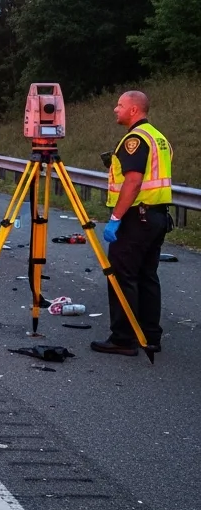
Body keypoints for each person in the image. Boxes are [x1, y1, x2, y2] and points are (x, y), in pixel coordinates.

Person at [91, 90, 173, 357]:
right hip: (158, 216)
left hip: (137, 217)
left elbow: (134, 181)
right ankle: (150, 336)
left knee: (123, 276)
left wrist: (115, 218)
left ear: (134, 110)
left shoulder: (134, 140)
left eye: (120, 105)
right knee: (147, 276)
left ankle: (123, 338)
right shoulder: (159, 137)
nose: (116, 109)